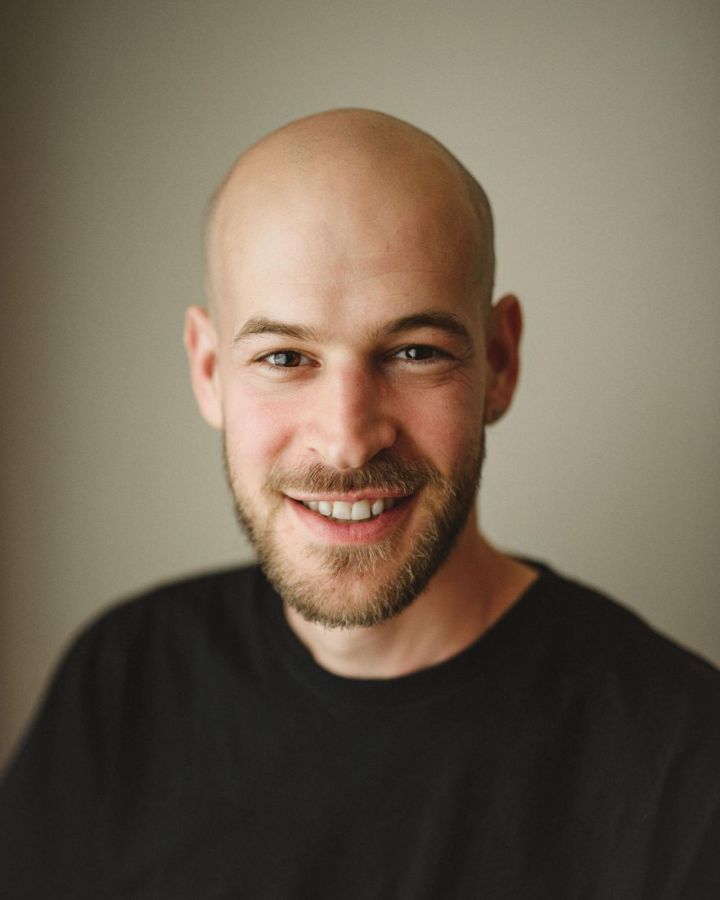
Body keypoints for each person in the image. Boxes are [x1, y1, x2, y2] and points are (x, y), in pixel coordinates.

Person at [1, 108, 718, 898]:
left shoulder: (685, 763)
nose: (347, 442)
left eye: (414, 352)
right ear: (209, 372)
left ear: (501, 361)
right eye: (284, 357)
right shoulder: (123, 686)